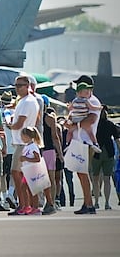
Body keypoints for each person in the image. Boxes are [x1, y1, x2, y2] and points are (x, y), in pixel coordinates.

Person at [65, 76, 101, 215]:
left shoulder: (91, 101)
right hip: (79, 141)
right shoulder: (83, 101)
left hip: (84, 142)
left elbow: (91, 120)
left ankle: (89, 204)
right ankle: (87, 203)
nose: (77, 88)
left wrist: (74, 126)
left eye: (80, 85)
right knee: (81, 173)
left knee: (83, 173)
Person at [6, 75, 41, 216]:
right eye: (16, 85)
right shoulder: (26, 101)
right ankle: (31, 206)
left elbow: (19, 124)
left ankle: (24, 205)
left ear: (28, 86)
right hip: (25, 142)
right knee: (26, 177)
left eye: (20, 85)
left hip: (22, 143)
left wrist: (9, 125)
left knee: (17, 174)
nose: (17, 88)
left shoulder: (27, 102)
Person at [18, 126, 55, 215]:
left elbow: (37, 159)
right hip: (27, 171)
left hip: (32, 171)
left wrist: (26, 158)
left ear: (28, 136)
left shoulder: (33, 147)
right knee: (24, 187)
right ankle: (27, 206)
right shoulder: (27, 146)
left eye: (23, 136)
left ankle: (35, 207)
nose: (21, 138)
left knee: (32, 190)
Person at [91, 106, 119, 210]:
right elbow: (117, 139)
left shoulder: (94, 124)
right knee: (107, 179)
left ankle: (96, 202)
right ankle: (107, 203)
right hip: (109, 152)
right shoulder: (110, 124)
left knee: (95, 178)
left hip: (96, 152)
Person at [41, 106, 64, 211]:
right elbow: (55, 137)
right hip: (49, 150)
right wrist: (60, 153)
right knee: (51, 178)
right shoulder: (50, 118)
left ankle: (40, 201)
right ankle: (51, 202)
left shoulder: (33, 117)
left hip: (38, 150)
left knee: (40, 178)